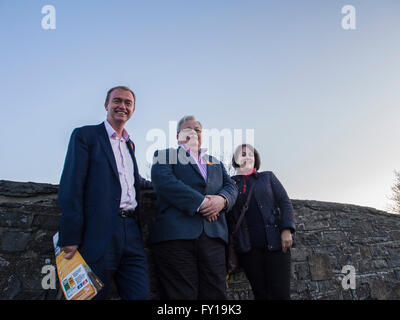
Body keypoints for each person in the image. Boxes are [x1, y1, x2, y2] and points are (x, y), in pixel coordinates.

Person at [57, 86, 152, 300]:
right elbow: (71, 184)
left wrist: (164, 185)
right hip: (98, 231)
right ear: (106, 105)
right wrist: (70, 235)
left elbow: (133, 181)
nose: (122, 106)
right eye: (117, 101)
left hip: (131, 231)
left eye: (128, 103)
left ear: (133, 110)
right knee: (91, 296)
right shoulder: (85, 135)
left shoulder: (130, 145)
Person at [150, 115, 238, 300]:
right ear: (177, 136)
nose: (193, 132)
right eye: (187, 129)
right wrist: (203, 203)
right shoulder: (164, 155)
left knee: (216, 295)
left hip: (213, 238)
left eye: (197, 129)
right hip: (176, 238)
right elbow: (165, 183)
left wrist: (222, 200)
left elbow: (231, 186)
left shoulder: (215, 162)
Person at [228, 144, 295, 300]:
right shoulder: (230, 183)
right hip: (248, 249)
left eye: (250, 154)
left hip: (276, 245)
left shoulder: (268, 177)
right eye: (242, 154)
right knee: (261, 295)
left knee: (281, 294)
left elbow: (284, 202)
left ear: (255, 158)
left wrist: (287, 229)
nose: (246, 156)